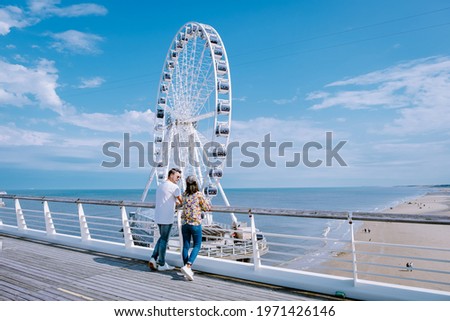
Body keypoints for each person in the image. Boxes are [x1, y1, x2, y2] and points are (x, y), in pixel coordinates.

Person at [148, 168, 182, 271]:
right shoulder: (174, 187)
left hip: (158, 216)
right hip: (167, 217)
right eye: (177, 176)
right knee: (164, 240)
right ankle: (162, 263)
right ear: (171, 175)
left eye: (179, 177)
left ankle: (153, 258)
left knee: (162, 238)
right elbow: (181, 201)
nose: (178, 179)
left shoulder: (161, 186)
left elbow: (165, 199)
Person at [180, 175, 211, 281]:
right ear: (196, 183)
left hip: (184, 223)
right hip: (195, 223)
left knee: (186, 246)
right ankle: (188, 266)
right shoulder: (198, 195)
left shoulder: (184, 195)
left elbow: (181, 204)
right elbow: (206, 208)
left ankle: (186, 269)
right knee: (197, 245)